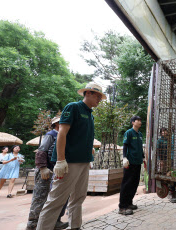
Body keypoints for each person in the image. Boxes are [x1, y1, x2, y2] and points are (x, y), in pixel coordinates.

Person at [36, 82, 106, 230]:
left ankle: (75, 226)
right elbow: (62, 133)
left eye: (101, 96)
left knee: (78, 198)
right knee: (56, 200)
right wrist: (61, 160)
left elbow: (80, 135)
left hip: (84, 161)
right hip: (69, 162)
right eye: (97, 95)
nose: (99, 99)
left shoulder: (90, 114)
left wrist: (90, 149)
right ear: (88, 93)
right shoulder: (73, 107)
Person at [26, 117, 69, 230]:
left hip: (56, 170)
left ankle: (55, 221)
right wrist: (42, 167)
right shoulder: (51, 135)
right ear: (57, 124)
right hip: (46, 170)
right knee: (40, 197)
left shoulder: (63, 136)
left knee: (55, 197)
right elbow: (41, 150)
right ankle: (33, 223)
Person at [118, 116, 145, 215]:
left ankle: (129, 203)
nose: (140, 122)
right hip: (130, 162)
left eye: (140, 120)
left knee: (134, 183)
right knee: (127, 183)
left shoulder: (140, 134)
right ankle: (122, 207)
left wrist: (143, 157)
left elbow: (140, 148)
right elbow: (125, 146)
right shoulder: (129, 133)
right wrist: (124, 158)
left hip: (138, 162)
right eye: (138, 120)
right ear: (133, 122)